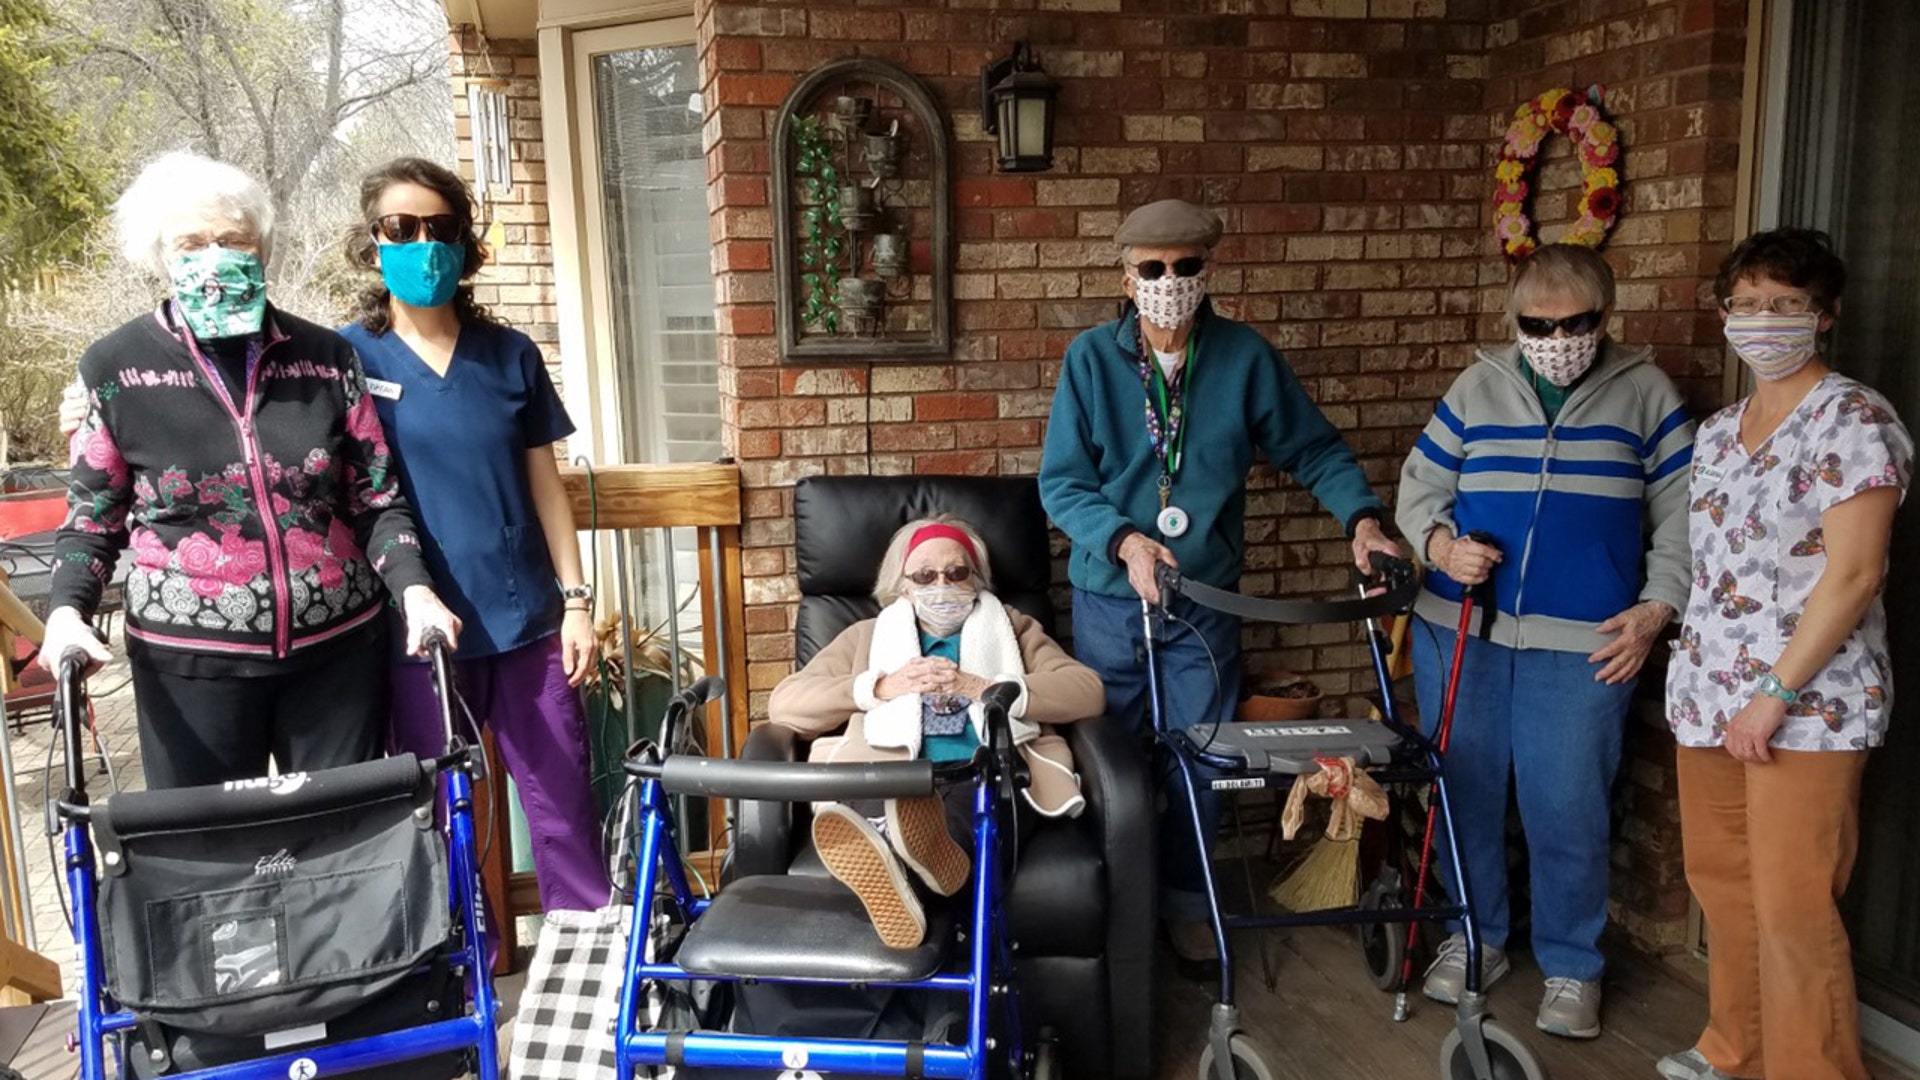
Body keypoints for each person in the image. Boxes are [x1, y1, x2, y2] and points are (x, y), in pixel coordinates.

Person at [1038, 198, 1400, 964]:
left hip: (1205, 604)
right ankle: (1115, 907)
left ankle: (1183, 900)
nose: (1169, 281)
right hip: (1113, 597)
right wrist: (1125, 540)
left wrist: (1362, 521)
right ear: (1125, 276)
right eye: (1153, 269)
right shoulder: (1091, 360)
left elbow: (1317, 451)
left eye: (1186, 266)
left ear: (1209, 270)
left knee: (1201, 761)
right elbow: (1063, 484)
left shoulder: (1244, 358)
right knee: (1111, 760)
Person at [39, 152, 461, 790]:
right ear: (161, 256)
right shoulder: (115, 367)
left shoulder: (326, 358)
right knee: (211, 860)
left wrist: (416, 591)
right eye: (192, 243)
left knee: (340, 849)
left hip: (337, 655)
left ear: (261, 250)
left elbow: (377, 499)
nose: (215, 255)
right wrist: (67, 612)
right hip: (189, 666)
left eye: (233, 239)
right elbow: (92, 517)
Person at [1396, 243, 1696, 1039]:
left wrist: (1657, 608)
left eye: (1576, 322)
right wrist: (1440, 546)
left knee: (1567, 804)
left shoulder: (1647, 394)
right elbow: (1420, 487)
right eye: (1538, 323)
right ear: (1513, 321)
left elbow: (1685, 521)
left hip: (1587, 642)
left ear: (1606, 318)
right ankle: (1476, 935)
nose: (1557, 336)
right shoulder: (1478, 386)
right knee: (1464, 789)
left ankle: (1572, 965)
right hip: (1461, 628)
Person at [1657, 229, 1910, 1080]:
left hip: (1809, 703)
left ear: (1824, 316)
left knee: (1795, 908)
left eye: (1786, 306)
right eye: (1748, 304)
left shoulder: (1855, 419)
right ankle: (1736, 1047)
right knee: (1724, 887)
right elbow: (1714, 561)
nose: (1763, 321)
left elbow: (1856, 573)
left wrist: (1774, 692)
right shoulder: (1722, 432)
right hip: (1710, 694)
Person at [336, 157, 611, 913]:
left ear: (465, 245)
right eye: (402, 228)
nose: (424, 243)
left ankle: (582, 957)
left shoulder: (509, 355)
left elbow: (547, 485)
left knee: (562, 800)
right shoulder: (344, 360)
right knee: (438, 809)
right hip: (417, 629)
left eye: (442, 228)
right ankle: (466, 968)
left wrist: (578, 602)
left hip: (525, 619)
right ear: (373, 243)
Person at [768, 516, 1103, 948]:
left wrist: (986, 688)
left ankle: (901, 869)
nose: (941, 584)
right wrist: (879, 687)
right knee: (886, 801)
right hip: (891, 771)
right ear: (902, 584)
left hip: (981, 769)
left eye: (957, 572)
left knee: (959, 813)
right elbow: (786, 702)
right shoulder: (867, 636)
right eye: (925, 575)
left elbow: (1087, 692)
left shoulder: (1013, 628)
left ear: (977, 579)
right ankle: (903, 863)